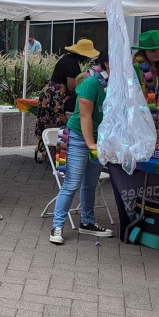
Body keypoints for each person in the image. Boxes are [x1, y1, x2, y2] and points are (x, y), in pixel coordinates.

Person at [49, 50, 114, 245]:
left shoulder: (115, 83)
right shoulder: (91, 82)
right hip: (76, 137)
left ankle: (88, 223)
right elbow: (85, 115)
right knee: (71, 183)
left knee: (90, 184)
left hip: (98, 138)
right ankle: (57, 226)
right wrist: (91, 144)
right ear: (107, 63)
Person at [34, 39, 99, 162]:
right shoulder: (72, 64)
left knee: (51, 126)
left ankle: (55, 160)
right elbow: (72, 86)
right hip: (57, 98)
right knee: (61, 129)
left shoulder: (66, 59)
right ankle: (61, 162)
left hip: (49, 96)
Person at [133, 30, 159, 143]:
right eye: (153, 50)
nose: (158, 53)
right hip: (142, 120)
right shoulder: (136, 68)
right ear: (143, 51)